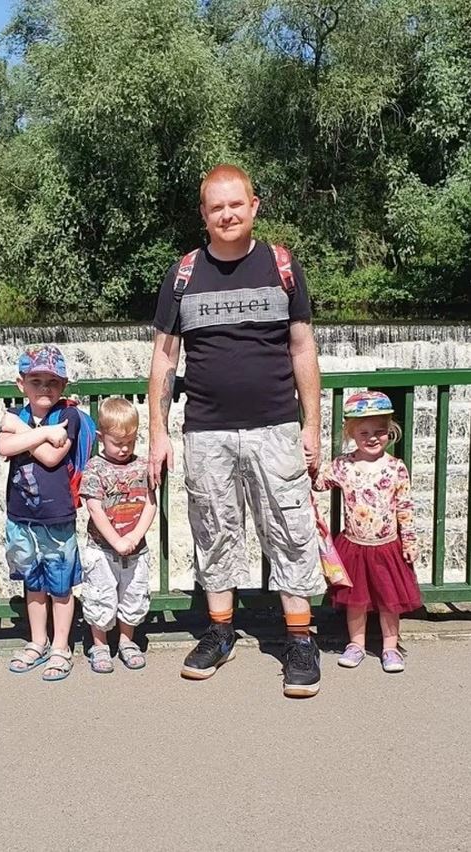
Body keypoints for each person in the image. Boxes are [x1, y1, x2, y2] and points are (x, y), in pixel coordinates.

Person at [148, 163, 325, 698]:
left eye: (235, 204)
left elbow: (303, 348)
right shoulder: (183, 274)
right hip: (205, 431)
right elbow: (163, 356)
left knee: (291, 531)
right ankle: (219, 631)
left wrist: (312, 424)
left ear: (253, 206)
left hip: (276, 427)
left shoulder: (282, 266)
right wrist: (158, 430)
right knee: (215, 529)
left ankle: (299, 639)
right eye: (215, 206)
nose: (226, 214)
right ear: (204, 214)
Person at [312, 391, 422, 673]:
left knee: (389, 600)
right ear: (351, 433)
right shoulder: (344, 465)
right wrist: (308, 465)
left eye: (380, 432)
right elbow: (319, 483)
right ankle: (356, 644)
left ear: (390, 432)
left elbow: (404, 507)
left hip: (387, 546)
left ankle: (390, 646)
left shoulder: (396, 468)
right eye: (364, 432)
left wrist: (409, 541)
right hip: (355, 546)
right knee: (356, 600)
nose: (373, 438)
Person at [0, 344, 82, 682]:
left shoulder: (69, 416)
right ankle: (37, 641)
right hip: (21, 517)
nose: (44, 388)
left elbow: (51, 458)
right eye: (36, 381)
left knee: (60, 587)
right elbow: (3, 447)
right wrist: (44, 433)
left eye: (52, 381)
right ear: (21, 384)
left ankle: (61, 646)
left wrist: (25, 432)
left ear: (63, 385)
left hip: (58, 516)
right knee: (33, 583)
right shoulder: (18, 415)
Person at [80, 397, 156, 673]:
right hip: (101, 548)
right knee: (100, 595)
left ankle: (127, 640)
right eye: (117, 442)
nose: (124, 448)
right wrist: (116, 540)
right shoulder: (95, 468)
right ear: (101, 437)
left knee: (133, 595)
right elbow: (94, 508)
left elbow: (150, 503)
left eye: (130, 442)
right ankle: (99, 644)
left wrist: (134, 537)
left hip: (136, 548)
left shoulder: (143, 466)